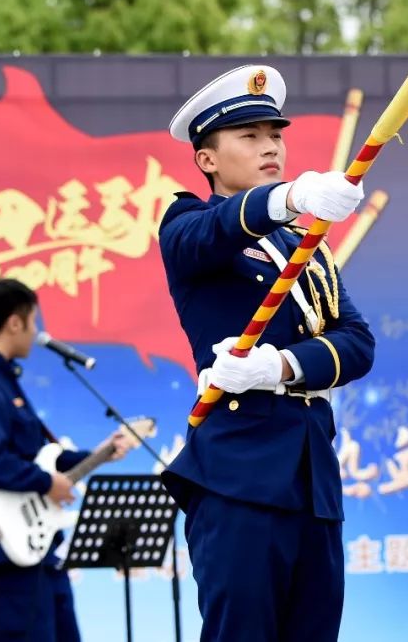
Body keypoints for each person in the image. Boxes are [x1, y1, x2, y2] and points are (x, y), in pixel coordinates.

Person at [158, 64, 375, 642]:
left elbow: (357, 342)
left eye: (275, 134)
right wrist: (290, 196)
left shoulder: (305, 246)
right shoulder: (189, 223)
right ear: (207, 158)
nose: (270, 146)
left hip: (312, 482)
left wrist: (279, 366)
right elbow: (215, 233)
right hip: (239, 479)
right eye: (249, 136)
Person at [0, 279, 132, 641]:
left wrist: (98, 455)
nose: (36, 331)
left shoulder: (1, 378)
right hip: (3, 558)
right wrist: (45, 484)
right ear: (14, 323)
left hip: (37, 556)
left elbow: (38, 456)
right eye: (32, 320)